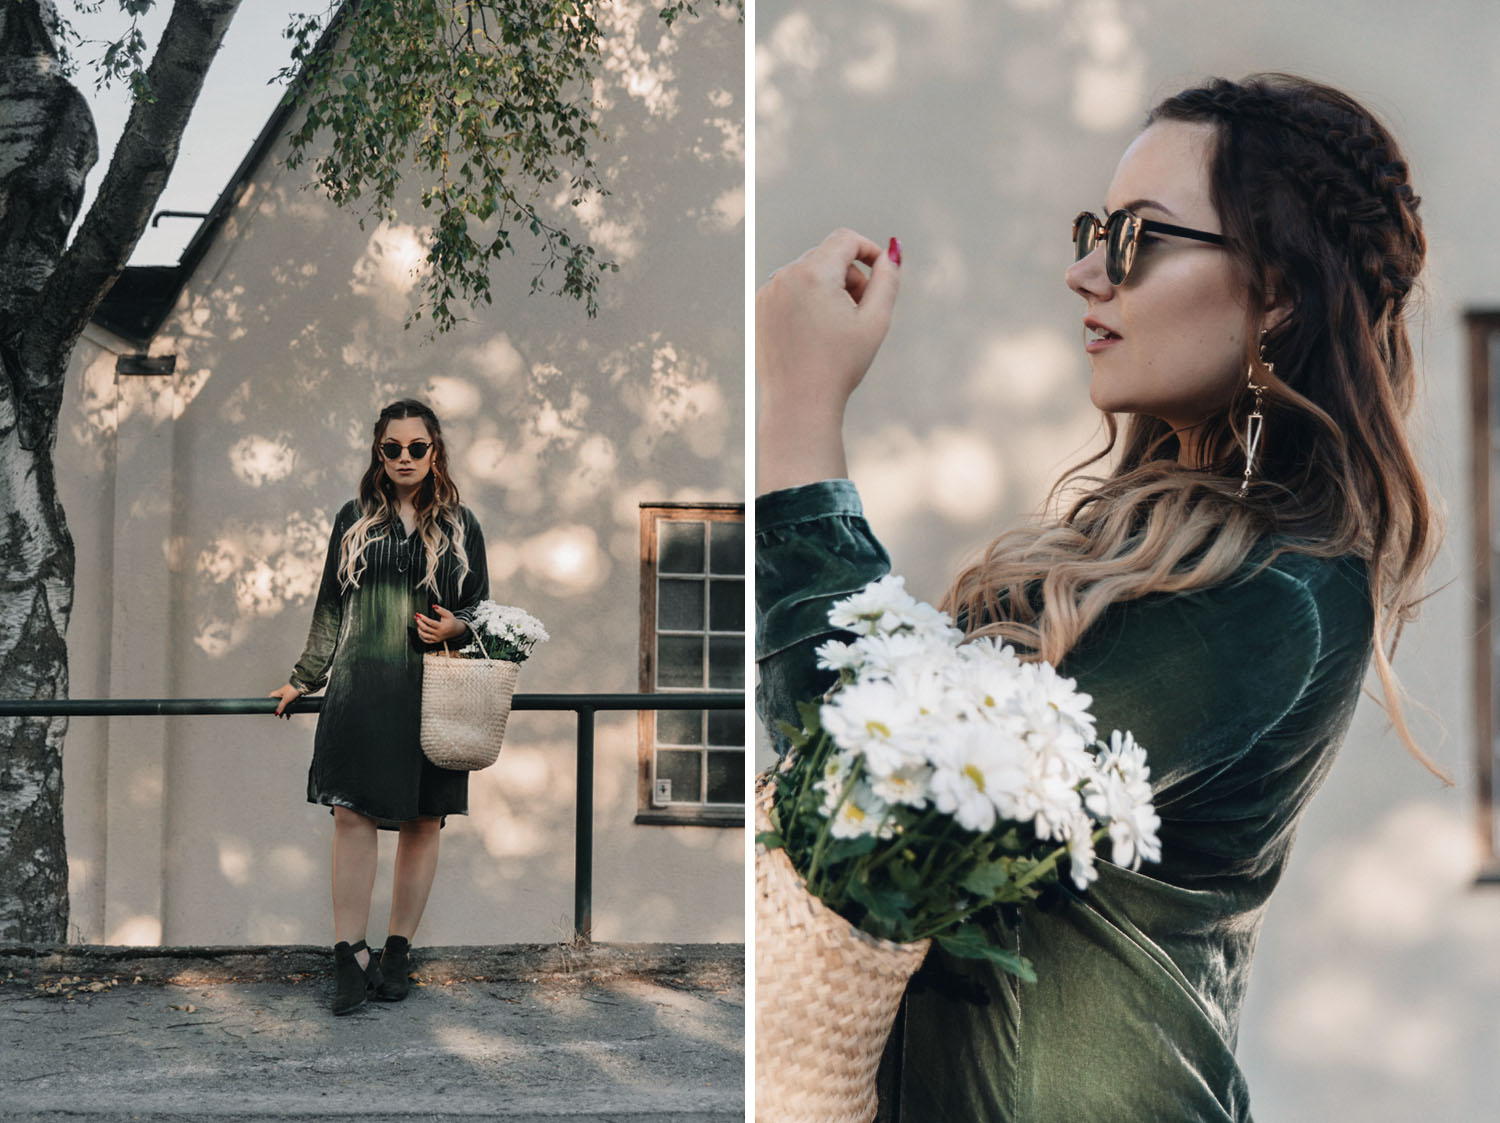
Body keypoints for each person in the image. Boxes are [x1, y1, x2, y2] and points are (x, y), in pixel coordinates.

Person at [755, 74, 1440, 1121]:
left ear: (1281, 292)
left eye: (1136, 239)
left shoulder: (1277, 592)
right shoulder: (1144, 550)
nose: (1084, 273)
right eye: (1093, 230)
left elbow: (866, 827)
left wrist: (799, 423)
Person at [269, 398, 489, 1016]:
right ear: (378, 452)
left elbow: (479, 608)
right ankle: (349, 954)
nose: (403, 459)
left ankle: (399, 950)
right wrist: (302, 679)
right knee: (351, 816)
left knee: (423, 821)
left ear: (435, 450)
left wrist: (455, 629)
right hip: (361, 691)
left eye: (416, 447)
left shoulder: (462, 524)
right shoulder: (353, 518)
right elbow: (330, 608)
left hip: (434, 693)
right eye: (391, 448)